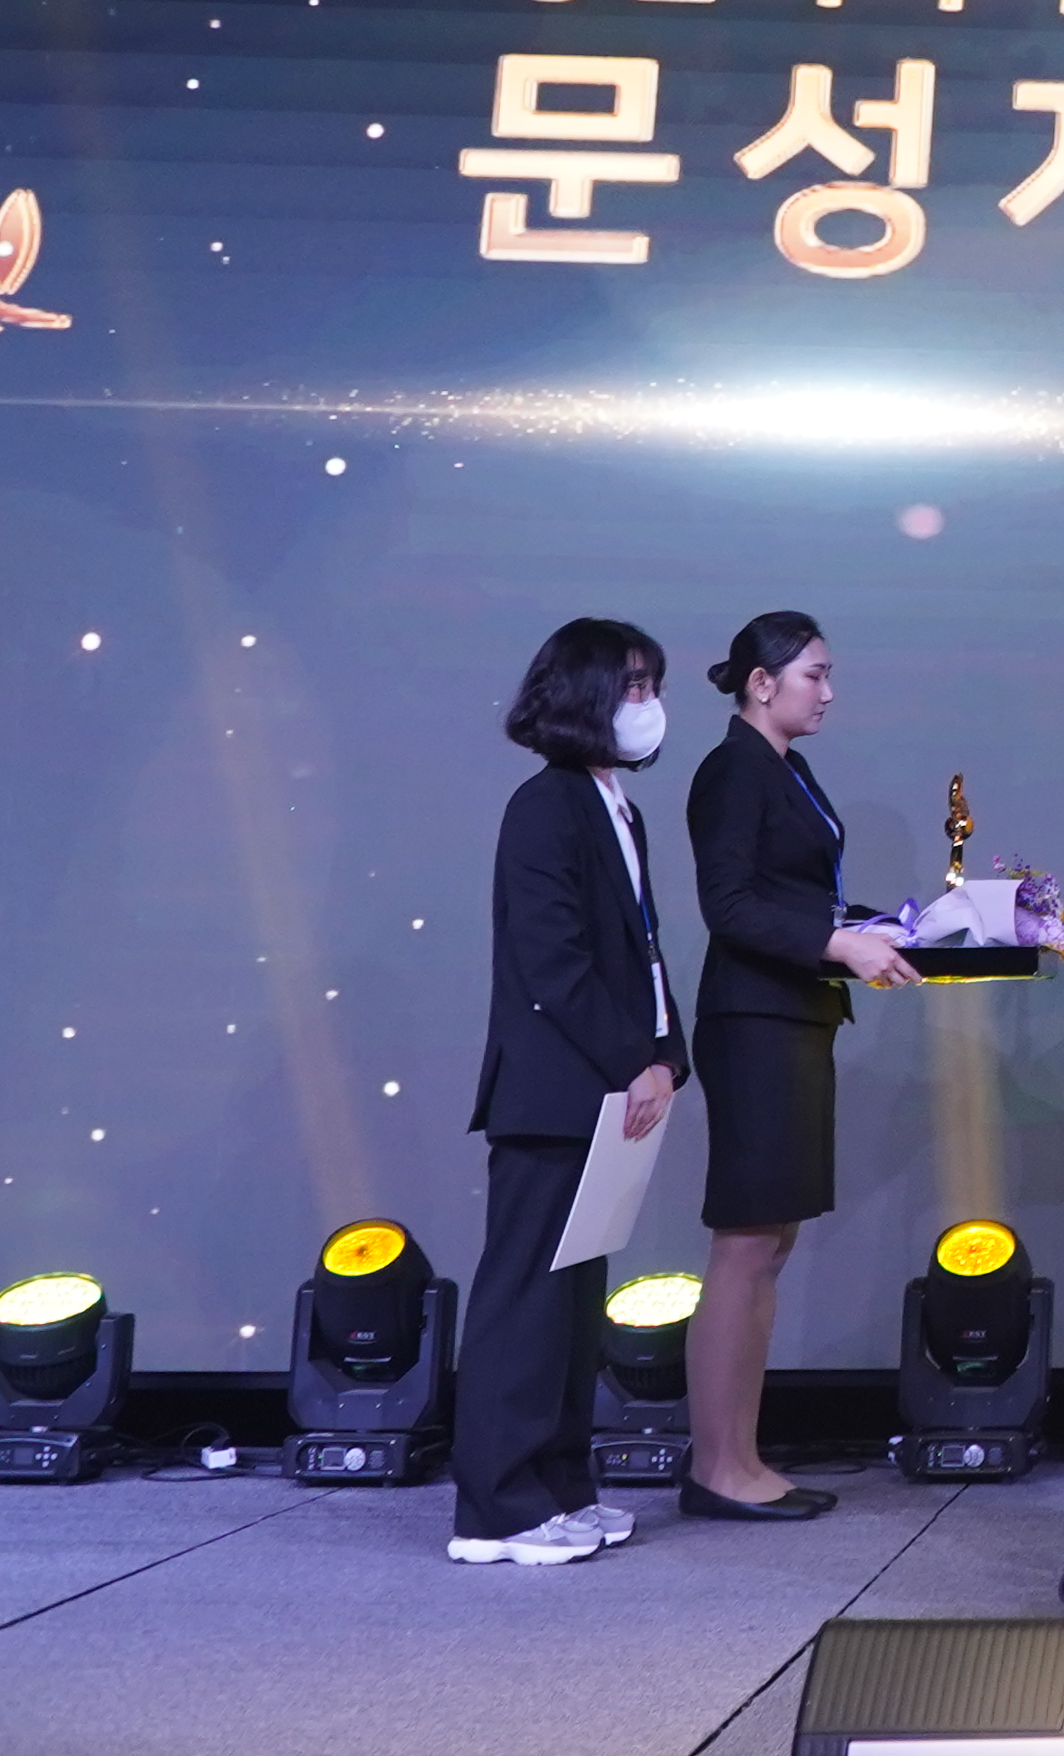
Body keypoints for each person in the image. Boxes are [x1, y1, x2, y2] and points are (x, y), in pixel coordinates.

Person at [450, 617, 689, 1568]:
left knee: (574, 1306)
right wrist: (635, 1059)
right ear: (584, 695)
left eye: (651, 686)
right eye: (632, 686)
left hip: (610, 1092)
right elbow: (555, 964)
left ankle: (557, 1490)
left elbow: (644, 954)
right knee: (526, 1303)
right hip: (554, 1094)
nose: (648, 704)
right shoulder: (544, 806)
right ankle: (497, 1509)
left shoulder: (615, 806)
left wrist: (667, 1056)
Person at [678, 611, 923, 1521]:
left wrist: (889, 929)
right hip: (753, 1022)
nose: (827, 691)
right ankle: (718, 1467)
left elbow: (798, 897)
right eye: (814, 674)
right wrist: (838, 943)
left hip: (793, 1016)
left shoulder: (786, 767)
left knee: (769, 1243)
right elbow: (730, 906)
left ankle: (741, 1456)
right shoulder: (732, 769)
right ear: (761, 682)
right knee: (745, 1244)